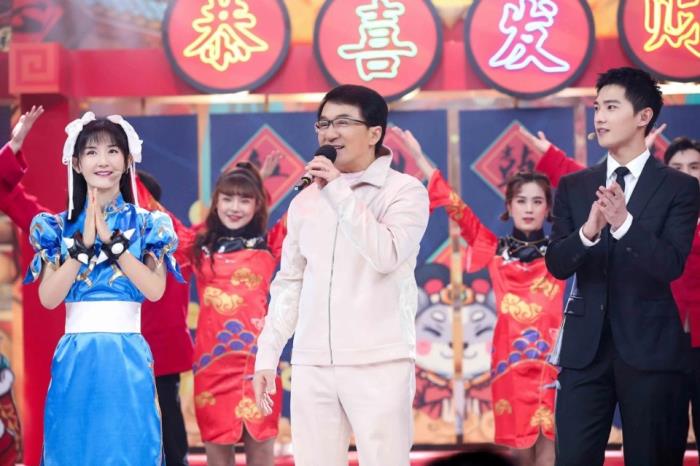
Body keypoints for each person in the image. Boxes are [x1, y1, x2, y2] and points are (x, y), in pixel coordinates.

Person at [0, 109, 194, 466]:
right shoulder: (56, 227)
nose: (103, 161)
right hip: (76, 357)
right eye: (91, 152)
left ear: (127, 160)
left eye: (112, 151)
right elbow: (48, 298)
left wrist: (115, 246)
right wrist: (81, 248)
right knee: (72, 450)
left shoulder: (150, 225)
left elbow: (154, 290)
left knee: (131, 450)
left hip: (127, 356)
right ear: (76, 163)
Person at [252, 84, 429, 466]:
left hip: (379, 361)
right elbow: (290, 282)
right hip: (312, 363)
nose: (330, 133)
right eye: (323, 124)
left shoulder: (404, 191)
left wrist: (337, 188)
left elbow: (386, 254)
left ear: (375, 133)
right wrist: (267, 354)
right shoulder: (305, 200)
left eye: (343, 122)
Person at [545, 67, 700, 466]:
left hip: (652, 350)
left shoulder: (680, 188)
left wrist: (625, 224)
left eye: (611, 107)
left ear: (643, 116)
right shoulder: (575, 186)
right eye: (597, 107)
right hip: (584, 352)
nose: (599, 117)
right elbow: (557, 263)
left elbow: (670, 264)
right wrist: (588, 232)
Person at [393, 127, 562, 466]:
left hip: (554, 362)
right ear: (509, 206)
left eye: (537, 201)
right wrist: (420, 159)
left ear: (548, 208)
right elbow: (456, 207)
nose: (529, 208)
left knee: (550, 449)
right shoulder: (494, 249)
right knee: (519, 451)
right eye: (521, 201)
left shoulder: (563, 252)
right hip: (510, 363)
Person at [137, 161, 286, 466]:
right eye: (227, 198)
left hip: (259, 366)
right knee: (218, 458)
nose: (235, 207)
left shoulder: (270, 246)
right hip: (212, 370)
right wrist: (125, 171)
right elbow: (156, 213)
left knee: (262, 455)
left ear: (258, 204)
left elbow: (303, 211)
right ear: (216, 202)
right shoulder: (199, 248)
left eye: (244, 200)